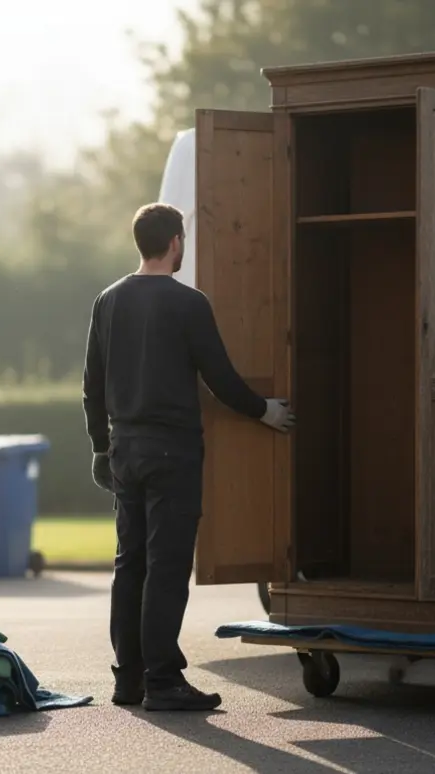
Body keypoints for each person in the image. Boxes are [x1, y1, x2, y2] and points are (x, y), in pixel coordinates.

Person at [82, 203, 296, 712]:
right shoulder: (189, 303)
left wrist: (99, 448)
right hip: (172, 451)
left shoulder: (107, 301)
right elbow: (218, 378)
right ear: (176, 242)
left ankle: (128, 678)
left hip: (125, 451)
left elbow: (91, 387)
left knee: (129, 563)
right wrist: (263, 410)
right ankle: (164, 681)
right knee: (167, 565)